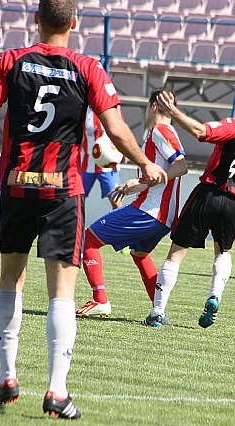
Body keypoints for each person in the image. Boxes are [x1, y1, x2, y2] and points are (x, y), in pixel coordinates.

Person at [0, 0, 166, 419]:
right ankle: (56, 391)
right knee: (62, 293)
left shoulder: (11, 62)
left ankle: (7, 375)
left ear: (36, 19)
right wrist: (145, 162)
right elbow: (115, 128)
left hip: (17, 184)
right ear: (75, 22)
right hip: (62, 190)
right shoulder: (87, 68)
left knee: (9, 279)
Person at [142, 83, 235, 328]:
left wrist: (175, 113)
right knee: (223, 252)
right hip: (234, 203)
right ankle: (215, 295)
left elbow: (201, 131)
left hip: (209, 193)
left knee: (177, 253)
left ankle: (157, 312)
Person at [76, 88, 187, 318]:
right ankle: (159, 312)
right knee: (139, 254)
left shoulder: (160, 130)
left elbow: (181, 166)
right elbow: (169, 168)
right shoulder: (167, 131)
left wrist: (141, 181)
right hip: (161, 215)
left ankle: (100, 300)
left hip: (149, 211)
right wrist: (141, 185)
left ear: (153, 107)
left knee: (88, 240)